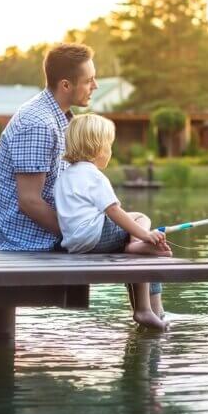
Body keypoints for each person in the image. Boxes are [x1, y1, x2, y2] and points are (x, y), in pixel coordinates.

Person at [54, 113, 172, 330]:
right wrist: (145, 235)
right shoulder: (94, 176)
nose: (111, 150)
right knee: (141, 220)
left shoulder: (64, 177)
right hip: (95, 237)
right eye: (109, 145)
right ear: (98, 148)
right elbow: (115, 211)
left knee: (143, 244)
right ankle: (147, 309)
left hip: (75, 244)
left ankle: (156, 309)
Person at [0, 43, 97, 251]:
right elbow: (29, 202)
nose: (95, 86)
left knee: (140, 235)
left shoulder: (60, 117)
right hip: (31, 243)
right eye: (89, 81)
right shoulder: (38, 124)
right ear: (65, 85)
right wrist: (77, 235)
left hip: (51, 237)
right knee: (141, 243)